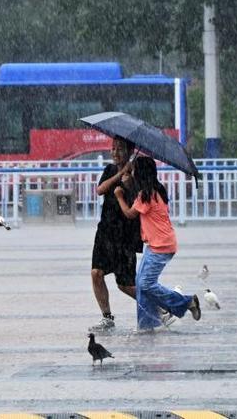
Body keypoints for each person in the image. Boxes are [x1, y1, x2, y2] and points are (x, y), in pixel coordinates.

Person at [114, 156, 201, 331]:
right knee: (141, 283)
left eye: (134, 171)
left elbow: (130, 214)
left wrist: (119, 196)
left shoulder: (146, 195)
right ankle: (147, 324)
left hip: (161, 246)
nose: (132, 173)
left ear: (140, 174)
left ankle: (186, 302)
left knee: (146, 284)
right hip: (156, 244)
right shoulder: (154, 191)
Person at [89, 138, 143, 332]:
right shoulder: (110, 170)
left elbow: (141, 199)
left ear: (130, 151)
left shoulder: (138, 172)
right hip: (105, 231)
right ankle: (107, 317)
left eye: (119, 149)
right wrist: (120, 173)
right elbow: (100, 190)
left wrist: (130, 184)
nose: (114, 152)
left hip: (126, 234)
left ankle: (160, 305)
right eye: (112, 148)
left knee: (125, 285)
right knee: (96, 273)